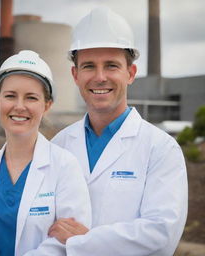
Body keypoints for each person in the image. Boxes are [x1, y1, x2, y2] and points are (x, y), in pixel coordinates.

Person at [49, 7, 188, 256]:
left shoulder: (161, 148)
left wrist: (84, 241)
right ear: (75, 74)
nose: (100, 77)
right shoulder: (59, 144)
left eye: (111, 66)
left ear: (130, 73)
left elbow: (161, 233)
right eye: (89, 66)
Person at [0, 50, 91, 256]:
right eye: (10, 96)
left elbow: (68, 241)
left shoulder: (64, 166)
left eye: (31, 98)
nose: (19, 106)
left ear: (47, 105)